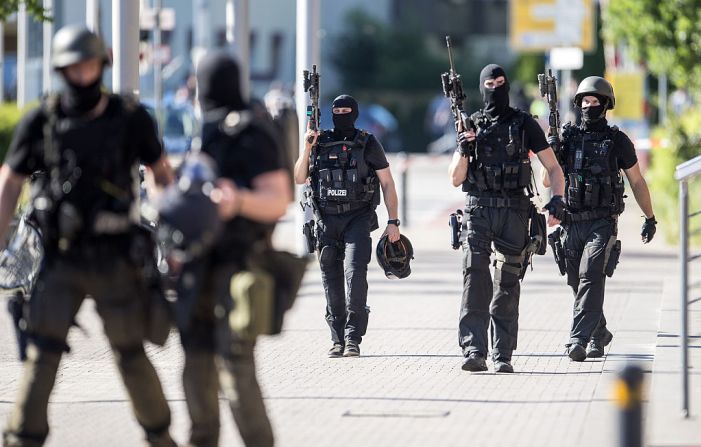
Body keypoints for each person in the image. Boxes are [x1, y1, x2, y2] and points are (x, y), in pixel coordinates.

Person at [0, 26, 176, 446]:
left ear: (102, 65)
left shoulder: (131, 118)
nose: (82, 74)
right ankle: (22, 438)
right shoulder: (43, 120)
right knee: (42, 353)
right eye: (74, 66)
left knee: (130, 351)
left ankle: (160, 437)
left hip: (117, 257)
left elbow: (162, 175)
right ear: (62, 69)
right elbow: (10, 182)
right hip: (61, 259)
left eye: (90, 64)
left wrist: (173, 237)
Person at [173, 52, 292, 447]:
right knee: (195, 366)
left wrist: (237, 199)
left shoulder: (253, 132)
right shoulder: (206, 130)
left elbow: (278, 199)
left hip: (241, 264)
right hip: (198, 266)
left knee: (237, 368)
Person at [448, 64, 566, 373]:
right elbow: (455, 178)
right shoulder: (470, 124)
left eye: (500, 83)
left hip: (514, 211)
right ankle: (474, 350)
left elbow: (553, 168)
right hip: (478, 210)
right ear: (481, 87)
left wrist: (557, 199)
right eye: (490, 83)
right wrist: (464, 149)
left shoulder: (524, 124)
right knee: (475, 276)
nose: (495, 88)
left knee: (508, 283)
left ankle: (502, 354)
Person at [544, 76, 656, 362]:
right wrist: (554, 149)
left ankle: (577, 339)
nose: (589, 107)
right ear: (578, 104)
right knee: (575, 282)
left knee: (591, 276)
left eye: (595, 102)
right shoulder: (567, 137)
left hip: (603, 222)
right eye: (585, 101)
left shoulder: (617, 141)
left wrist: (649, 216)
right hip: (571, 221)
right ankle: (599, 333)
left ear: (606, 105)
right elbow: (547, 180)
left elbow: (637, 182)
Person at [294, 95, 400, 358]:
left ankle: (353, 336)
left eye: (346, 110)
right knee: (331, 280)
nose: (341, 114)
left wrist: (393, 222)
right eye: (337, 110)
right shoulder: (320, 141)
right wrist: (307, 147)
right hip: (327, 220)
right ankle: (337, 338)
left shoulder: (367, 142)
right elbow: (299, 177)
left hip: (358, 218)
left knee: (355, 273)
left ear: (355, 113)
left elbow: (387, 183)